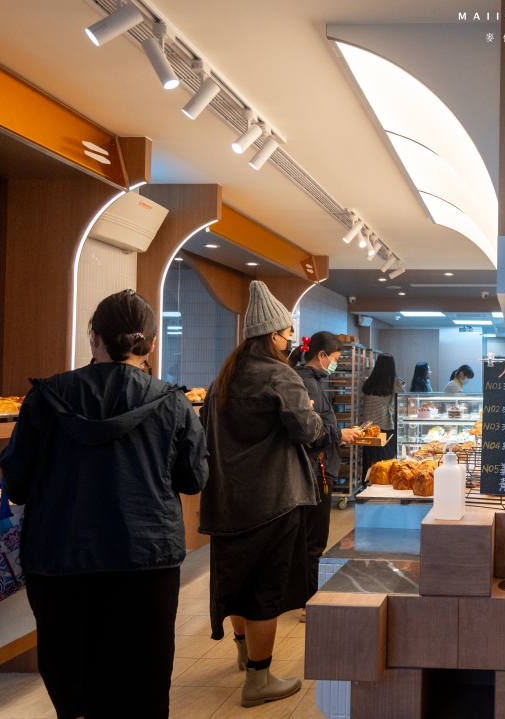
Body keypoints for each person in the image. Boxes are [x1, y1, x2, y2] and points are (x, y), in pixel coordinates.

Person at [0, 289, 208, 719]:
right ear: (150, 344)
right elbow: (193, 479)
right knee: (142, 684)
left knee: (71, 683)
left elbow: (16, 483)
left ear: (93, 337)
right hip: (146, 562)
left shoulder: (46, 398)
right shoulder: (173, 403)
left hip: (59, 561)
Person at [200, 281, 324, 708]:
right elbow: (308, 431)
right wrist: (315, 417)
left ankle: (242, 651)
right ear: (273, 335)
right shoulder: (279, 375)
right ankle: (259, 678)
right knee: (265, 591)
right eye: (288, 335)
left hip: (226, 501)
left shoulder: (223, 378)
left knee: (236, 581)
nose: (291, 343)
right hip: (272, 500)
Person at [292, 331, 361, 621]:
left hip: (319, 465)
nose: (336, 364)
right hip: (314, 469)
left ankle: (306, 597)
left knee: (310, 537)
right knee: (313, 539)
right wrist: (337, 433)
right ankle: (308, 602)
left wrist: (338, 436)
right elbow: (308, 429)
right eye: (335, 359)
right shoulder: (306, 383)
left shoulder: (311, 381)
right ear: (321, 355)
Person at [360, 353, 404, 477]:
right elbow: (402, 399)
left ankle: (367, 484)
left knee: (370, 459)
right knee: (385, 461)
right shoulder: (395, 382)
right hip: (386, 427)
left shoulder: (369, 381)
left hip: (368, 428)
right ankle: (383, 484)